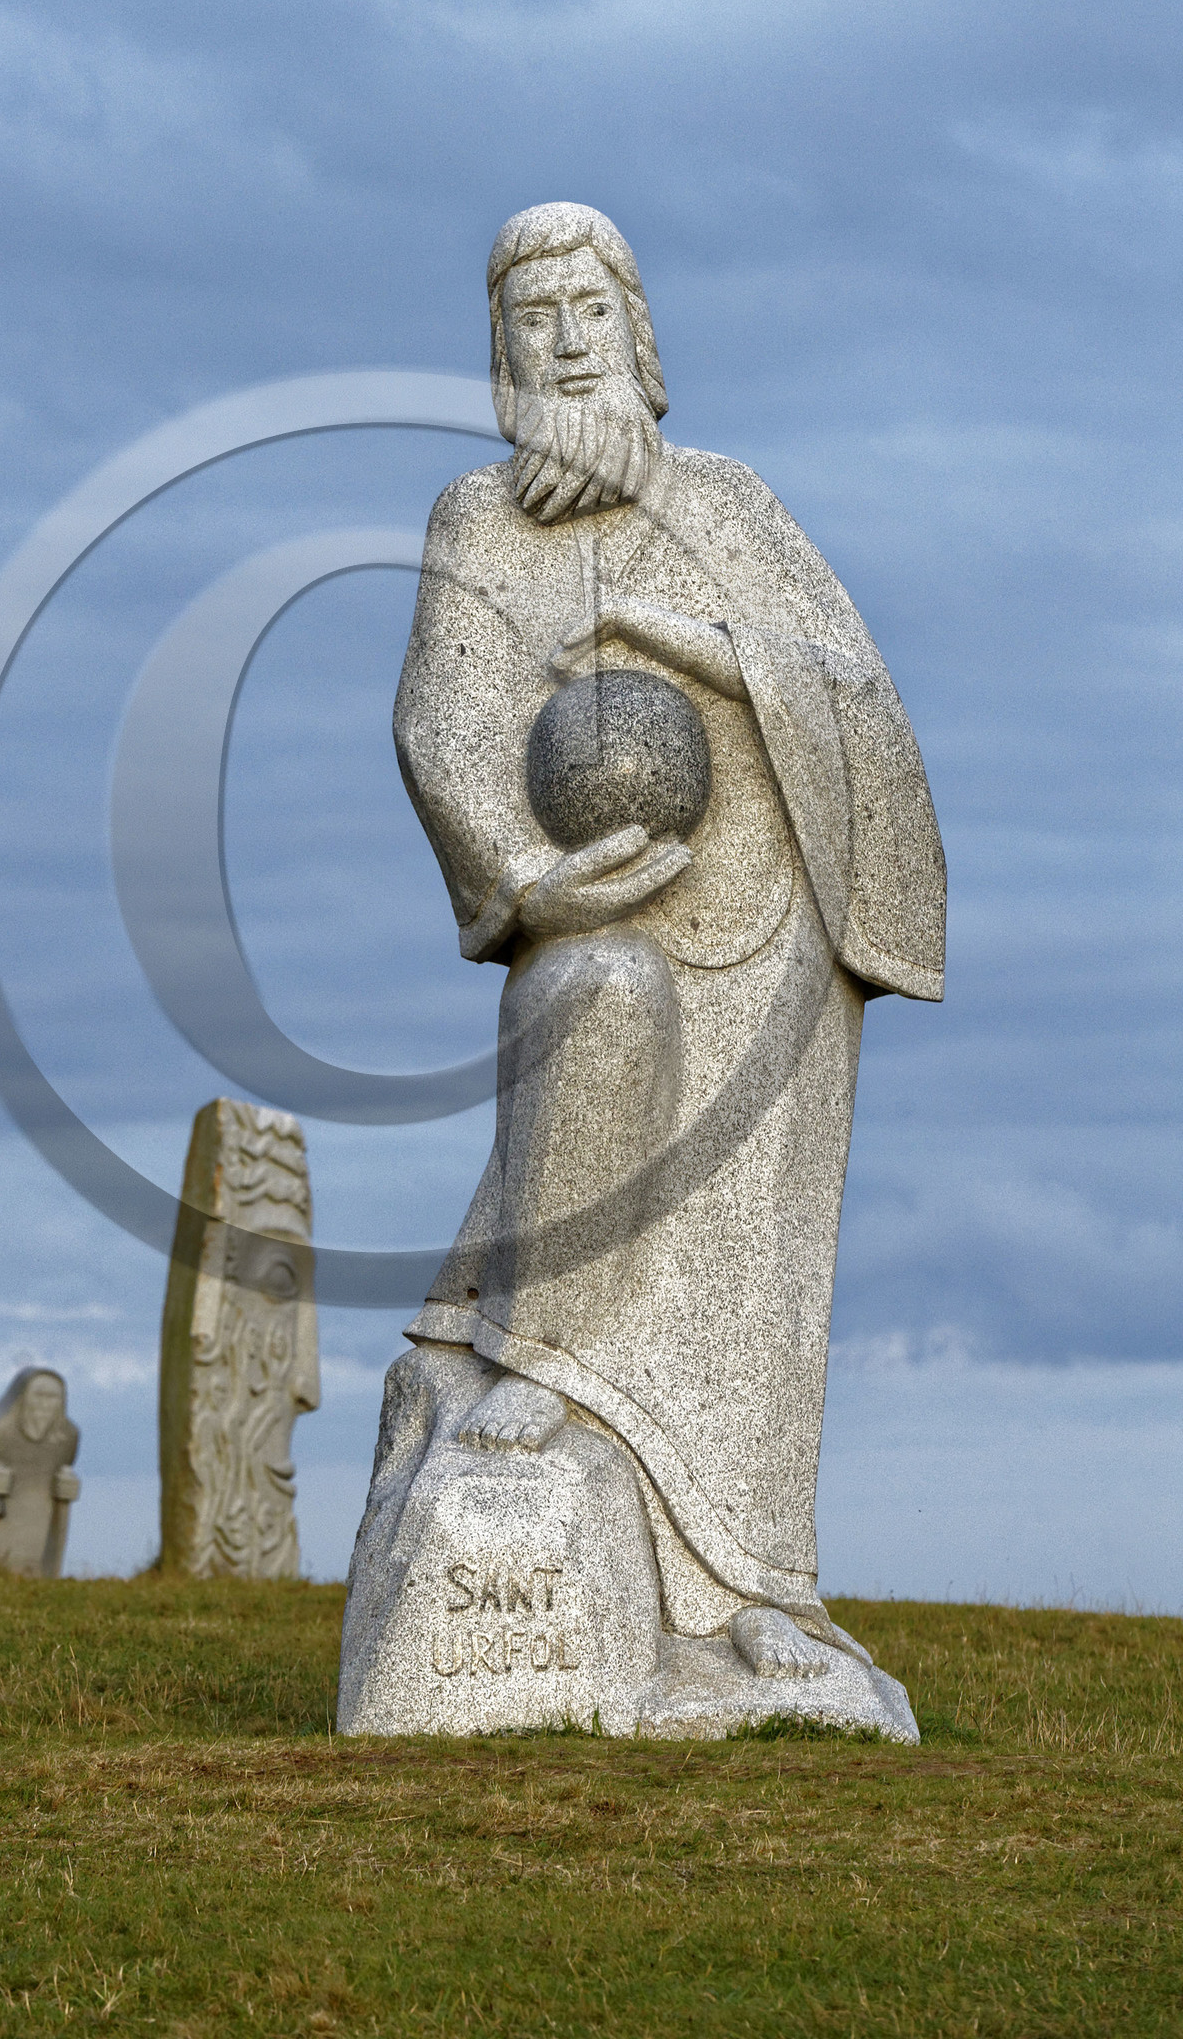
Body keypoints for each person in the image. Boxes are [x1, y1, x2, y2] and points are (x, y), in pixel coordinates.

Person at [391, 201, 945, 1652]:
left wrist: (677, 639)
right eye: (533, 319)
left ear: (637, 333)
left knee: (748, 1262)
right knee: (602, 1001)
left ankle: (750, 1591)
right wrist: (524, 878)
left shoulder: (730, 503)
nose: (567, 344)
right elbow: (440, 722)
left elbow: (858, 698)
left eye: (590, 312)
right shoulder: (476, 520)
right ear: (499, 354)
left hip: (768, 922)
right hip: (601, 913)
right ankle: (552, 1364)